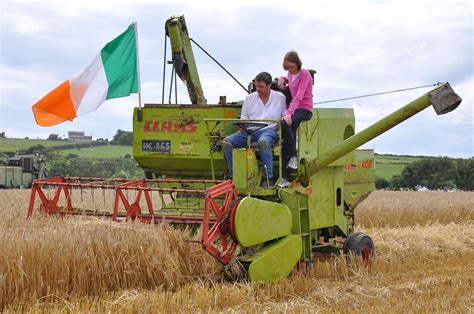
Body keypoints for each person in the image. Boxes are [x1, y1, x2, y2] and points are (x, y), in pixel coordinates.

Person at [223, 72, 286, 187]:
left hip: (270, 130)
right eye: (256, 86)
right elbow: (244, 117)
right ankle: (234, 176)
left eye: (261, 86)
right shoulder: (249, 98)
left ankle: (268, 178)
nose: (258, 89)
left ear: (269, 85)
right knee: (227, 142)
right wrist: (242, 125)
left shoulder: (280, 97)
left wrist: (279, 125)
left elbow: (284, 116)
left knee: (264, 141)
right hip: (250, 130)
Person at [277, 51, 313, 188]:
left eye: (292, 66)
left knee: (284, 123)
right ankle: (285, 177)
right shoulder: (289, 74)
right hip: (294, 110)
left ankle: (293, 156)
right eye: (287, 67)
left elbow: (298, 96)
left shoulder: (305, 74)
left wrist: (289, 113)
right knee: (286, 139)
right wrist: (282, 78)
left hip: (304, 109)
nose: (290, 69)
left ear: (297, 63)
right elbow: (288, 80)